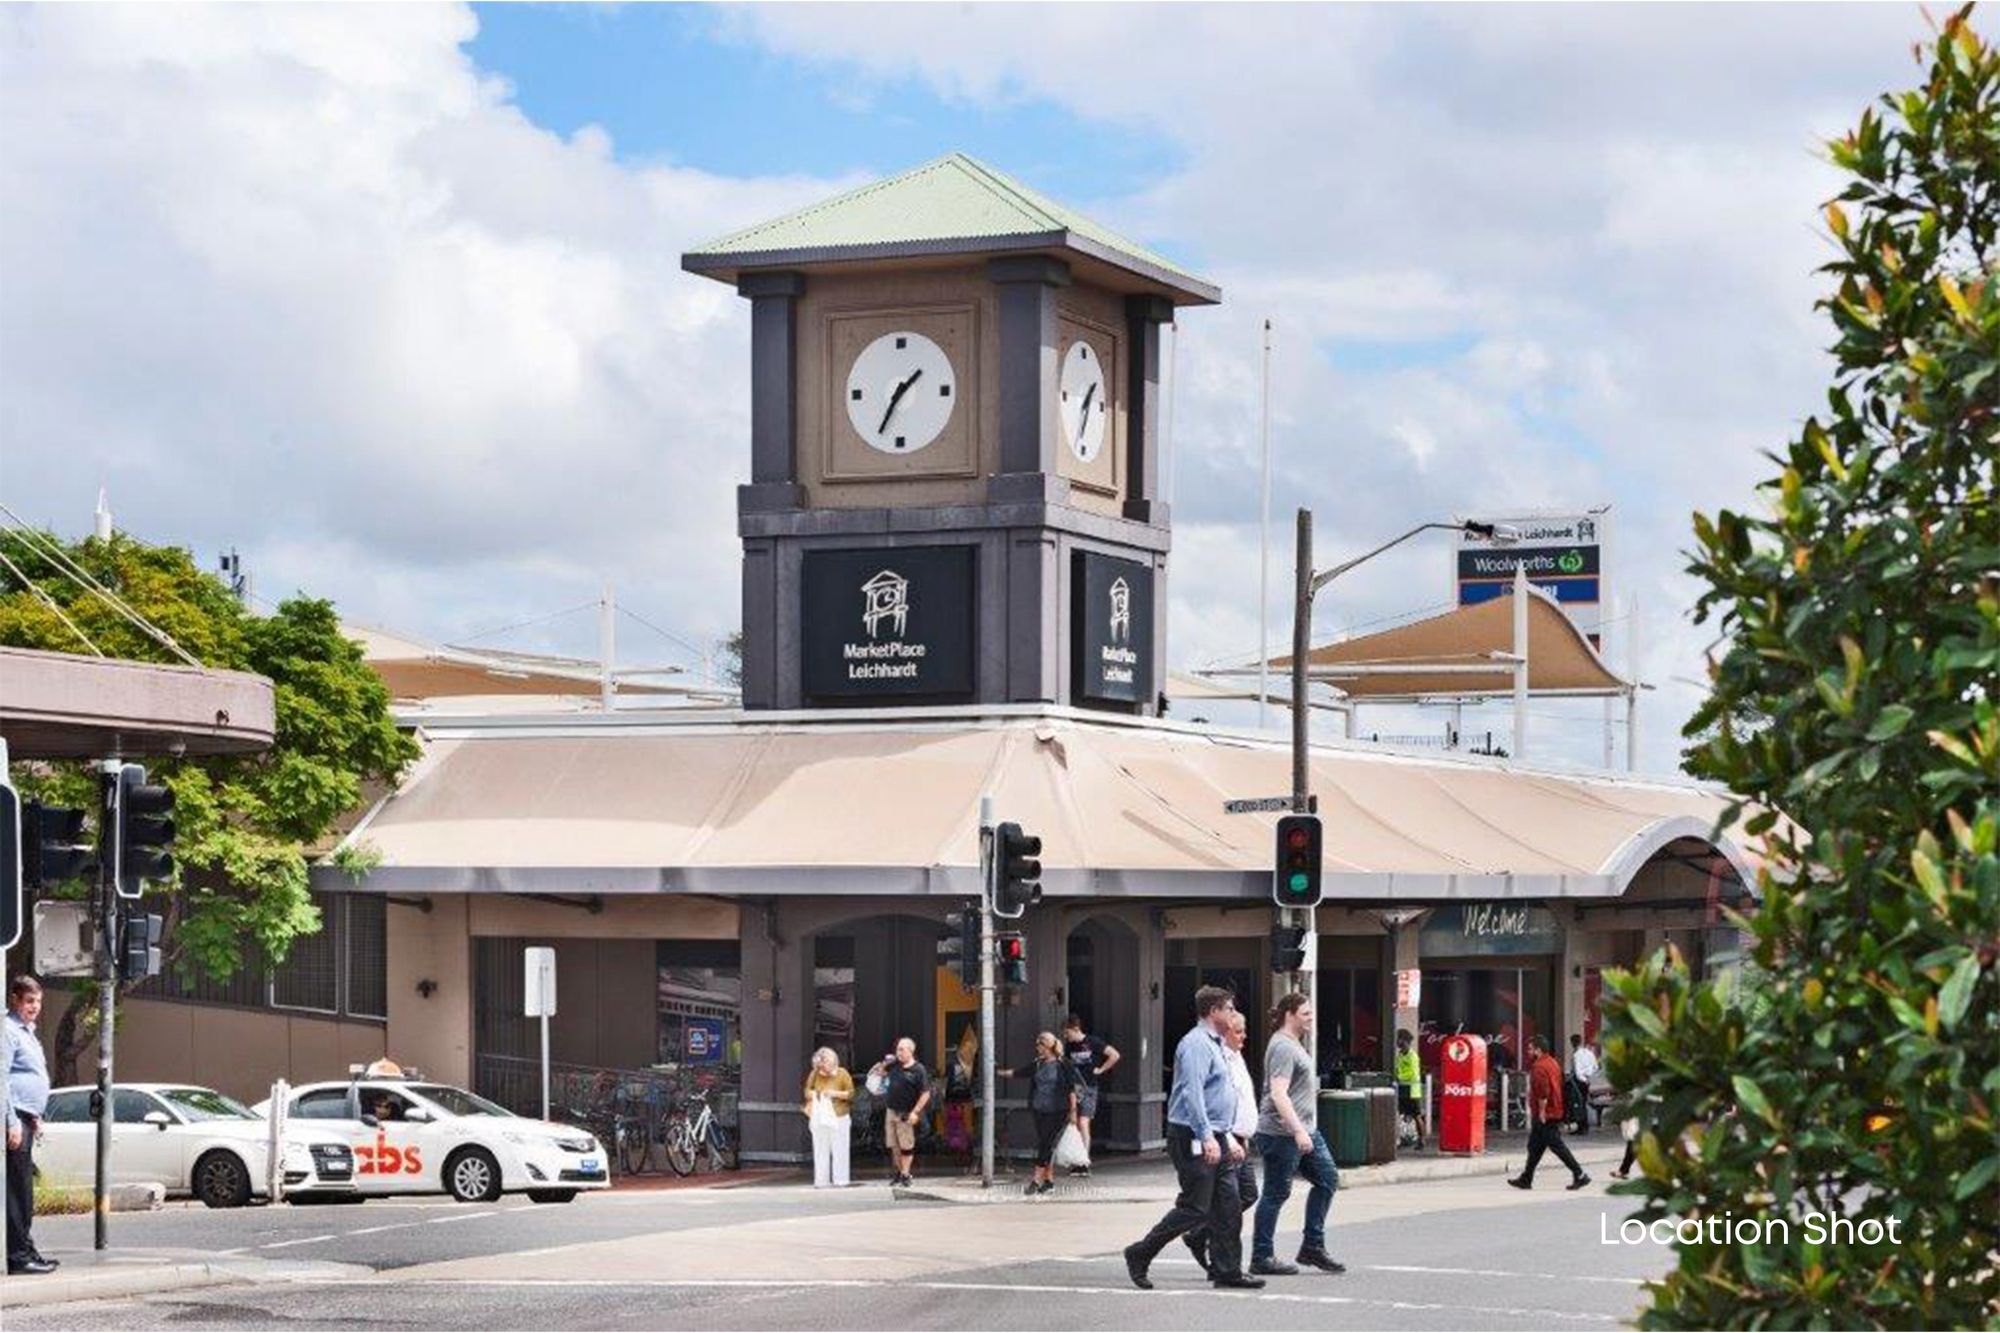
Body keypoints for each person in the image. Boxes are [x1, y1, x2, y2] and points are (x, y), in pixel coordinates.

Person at [1123, 986, 1263, 1292]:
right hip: (1193, 1136)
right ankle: (1140, 1252)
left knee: (1229, 1205)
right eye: (1228, 1009)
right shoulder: (1196, 1044)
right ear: (1213, 1011)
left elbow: (1217, 1095)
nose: (1233, 1014)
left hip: (1216, 1135)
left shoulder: (1215, 1044)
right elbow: (1192, 1094)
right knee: (1195, 1206)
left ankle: (1227, 1270)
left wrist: (1225, 1136)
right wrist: (1207, 1135)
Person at [1252, 993, 1345, 1277]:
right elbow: (1278, 1094)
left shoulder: (1294, 1044)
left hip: (1305, 1130)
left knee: (1327, 1179)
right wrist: (1298, 1131)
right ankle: (1261, 1256)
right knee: (1275, 1193)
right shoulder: (1282, 1047)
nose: (1310, 1018)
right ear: (1289, 1015)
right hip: (1283, 1133)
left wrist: (1305, 1130)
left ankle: (1312, 1247)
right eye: (1305, 1013)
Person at [1183, 1009, 1261, 1275]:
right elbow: (1211, 1104)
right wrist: (1228, 1137)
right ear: (1225, 1033)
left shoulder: (1237, 1058)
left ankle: (1199, 1234)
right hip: (1226, 1138)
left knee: (1247, 1194)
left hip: (1239, 1138)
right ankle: (1221, 1262)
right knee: (1227, 1203)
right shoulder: (1219, 1058)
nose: (1243, 1036)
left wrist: (1244, 1136)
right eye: (1238, 1032)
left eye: (1243, 1031)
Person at [6, 976, 56, 1276]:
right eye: (28, 1001)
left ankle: (26, 1248)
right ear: (15, 999)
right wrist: (11, 1121)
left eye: (37, 1001)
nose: (34, 1007)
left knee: (24, 1190)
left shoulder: (28, 1031)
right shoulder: (8, 1030)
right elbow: (1, 1078)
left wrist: (34, 1115)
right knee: (18, 1191)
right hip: (13, 1120)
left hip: (26, 1117)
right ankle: (18, 1256)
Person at [1508, 1033, 1590, 1191]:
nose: (1528, 1051)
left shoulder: (1539, 1067)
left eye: (1530, 1049)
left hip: (1547, 1113)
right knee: (1534, 1147)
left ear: (1538, 1050)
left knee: (1557, 1146)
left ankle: (1580, 1174)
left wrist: (1541, 1113)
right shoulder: (1552, 1062)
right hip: (1555, 1109)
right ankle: (1526, 1178)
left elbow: (1543, 1092)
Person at [1006, 1032, 1081, 1195]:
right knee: (1045, 1144)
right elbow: (1021, 1073)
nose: (1037, 1048)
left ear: (1048, 1046)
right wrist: (999, 1072)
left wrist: (1073, 1111)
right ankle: (1049, 1182)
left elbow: (1072, 1089)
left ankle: (1035, 1180)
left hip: (1058, 1110)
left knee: (1045, 1144)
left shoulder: (1063, 1064)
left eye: (1039, 1045)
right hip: (1039, 1109)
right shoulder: (1038, 1064)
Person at [867, 1038, 931, 1188]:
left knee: (906, 1145)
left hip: (906, 1112)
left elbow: (925, 1093)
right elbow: (880, 1073)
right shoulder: (894, 1065)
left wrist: (915, 1112)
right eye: (897, 1049)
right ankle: (899, 1172)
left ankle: (906, 1174)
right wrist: (885, 1063)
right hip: (891, 1110)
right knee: (893, 1144)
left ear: (911, 1051)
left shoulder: (918, 1069)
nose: (899, 1052)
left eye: (902, 1049)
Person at [1059, 1015, 1119, 1174]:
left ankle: (1084, 1161)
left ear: (1076, 1029)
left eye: (1067, 1033)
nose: (1066, 1037)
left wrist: (1101, 1069)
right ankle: (1076, 1159)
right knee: (1073, 1123)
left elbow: (1114, 1054)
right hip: (1074, 1087)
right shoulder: (1069, 1046)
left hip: (1089, 1087)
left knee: (1083, 1122)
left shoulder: (1092, 1042)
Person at [801, 1047, 854, 1188]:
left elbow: (850, 1094)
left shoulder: (842, 1074)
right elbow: (806, 1092)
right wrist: (817, 1094)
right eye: (821, 1066)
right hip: (820, 1116)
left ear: (834, 1062)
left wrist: (834, 1093)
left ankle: (841, 1180)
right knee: (820, 1149)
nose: (824, 1069)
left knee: (840, 1149)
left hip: (839, 1116)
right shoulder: (814, 1074)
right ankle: (821, 1180)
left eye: (826, 1065)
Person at [1394, 1028, 1427, 1146]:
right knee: (1401, 1114)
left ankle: (1422, 1140)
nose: (1397, 1042)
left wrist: (1399, 1077)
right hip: (1402, 1087)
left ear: (1404, 1040)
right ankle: (1404, 1137)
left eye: (1399, 1039)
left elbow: (1413, 1073)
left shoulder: (1412, 1056)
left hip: (1413, 1089)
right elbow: (1398, 1069)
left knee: (1416, 1115)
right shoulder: (1400, 1055)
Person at [1567, 1035, 1599, 1135]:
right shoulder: (1590, 1053)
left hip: (1579, 1082)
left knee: (1578, 1104)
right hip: (1588, 1080)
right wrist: (1589, 1077)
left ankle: (1581, 1126)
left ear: (1573, 1043)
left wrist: (1583, 1079)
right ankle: (1584, 1126)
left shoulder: (1576, 1055)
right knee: (1584, 1103)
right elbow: (1596, 1067)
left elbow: (1577, 1072)